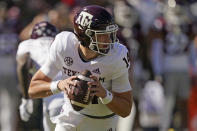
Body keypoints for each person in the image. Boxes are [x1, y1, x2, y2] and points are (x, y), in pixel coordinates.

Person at [28, 5, 133, 131]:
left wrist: (104, 94)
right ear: (85, 36)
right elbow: (33, 89)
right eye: (101, 35)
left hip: (102, 123)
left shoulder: (116, 56)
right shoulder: (64, 45)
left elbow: (126, 109)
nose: (108, 40)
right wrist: (60, 85)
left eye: (109, 34)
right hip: (69, 117)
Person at [16, 21, 64, 131]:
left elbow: (23, 64)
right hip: (74, 99)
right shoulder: (63, 44)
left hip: (53, 102)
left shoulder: (28, 44)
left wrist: (26, 99)